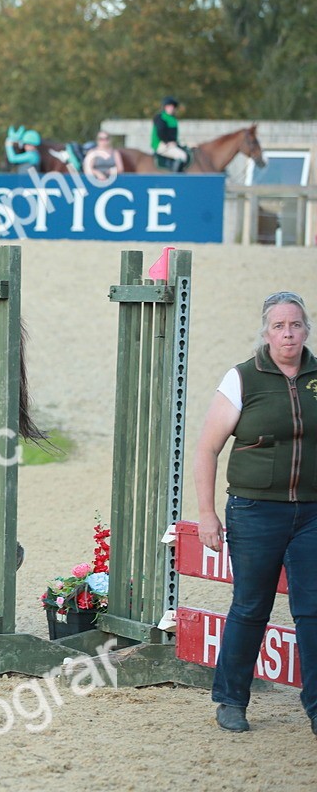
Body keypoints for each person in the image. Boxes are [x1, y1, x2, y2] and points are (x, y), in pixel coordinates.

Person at [193, 291, 317, 736]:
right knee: (250, 607)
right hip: (254, 511)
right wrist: (207, 514)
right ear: (266, 333)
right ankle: (230, 700)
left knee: (313, 610)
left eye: (296, 325)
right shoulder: (243, 378)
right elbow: (207, 449)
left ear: (306, 330)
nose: (289, 333)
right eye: (280, 326)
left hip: (312, 514)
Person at [152, 96, 188, 171]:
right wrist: (167, 142)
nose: (171, 108)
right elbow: (160, 132)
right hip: (161, 144)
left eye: (173, 107)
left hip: (171, 144)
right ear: (165, 107)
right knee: (182, 156)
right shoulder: (161, 117)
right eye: (169, 106)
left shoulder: (172, 119)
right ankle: (175, 178)